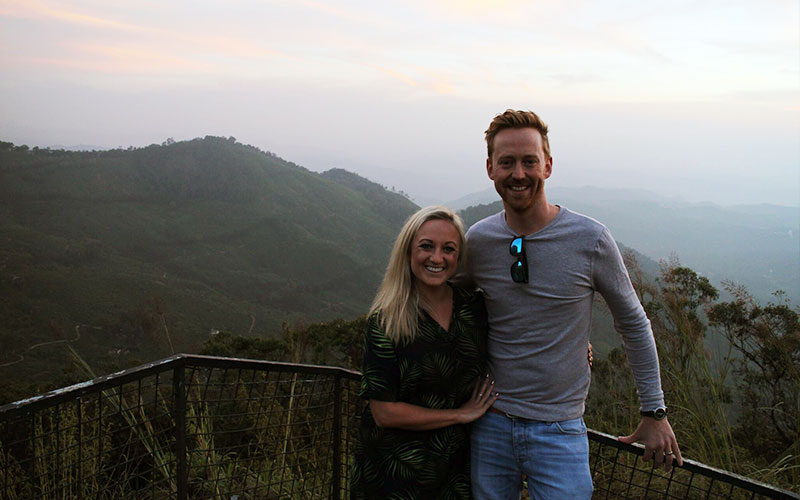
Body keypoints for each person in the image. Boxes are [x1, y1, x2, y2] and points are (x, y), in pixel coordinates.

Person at [462, 109, 683, 500]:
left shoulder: (591, 240)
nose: (518, 173)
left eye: (529, 161)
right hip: (490, 423)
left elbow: (633, 324)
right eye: (507, 162)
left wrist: (654, 411)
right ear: (490, 168)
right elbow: (443, 303)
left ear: (547, 165)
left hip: (560, 431)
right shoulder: (478, 242)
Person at [350, 205, 498, 500]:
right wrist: (459, 415)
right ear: (408, 251)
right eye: (426, 247)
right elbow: (385, 412)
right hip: (394, 475)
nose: (437, 258)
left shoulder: (475, 308)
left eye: (449, 249)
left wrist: (577, 346)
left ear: (458, 257)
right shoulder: (387, 321)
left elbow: (521, 333)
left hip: (456, 472)